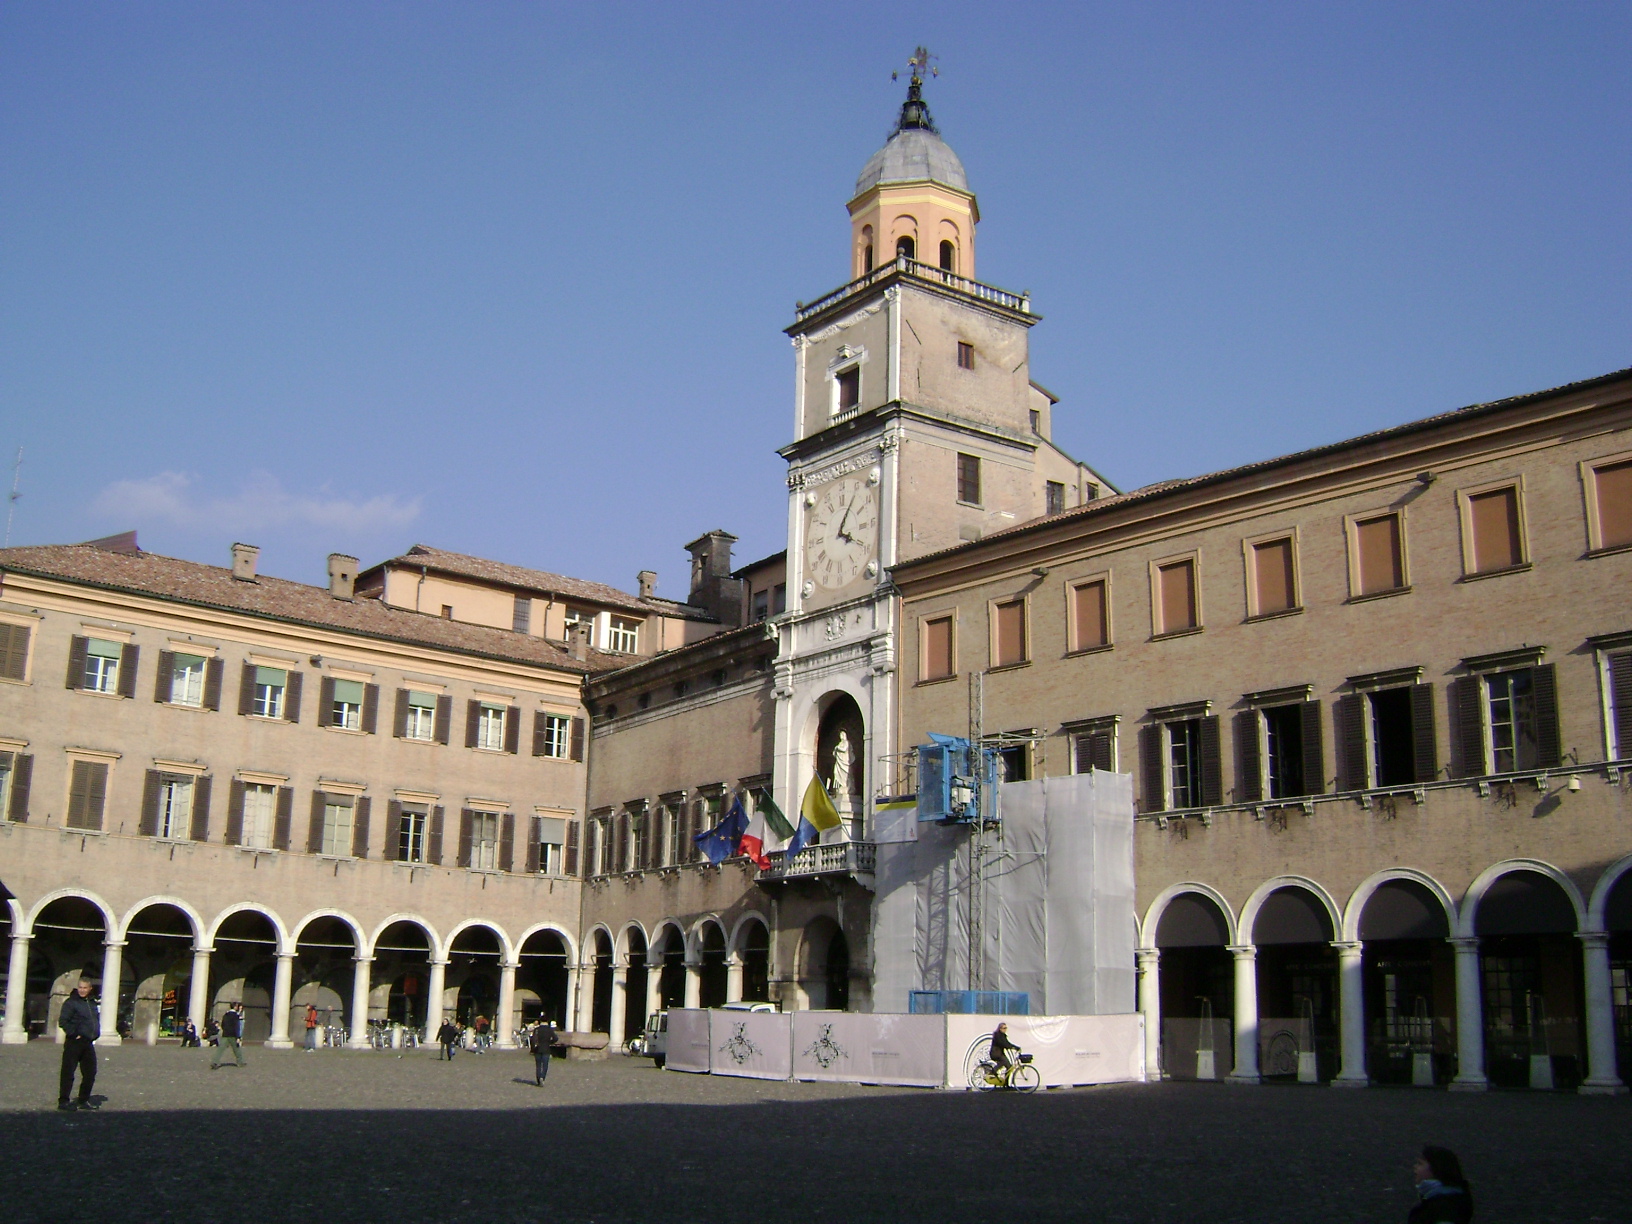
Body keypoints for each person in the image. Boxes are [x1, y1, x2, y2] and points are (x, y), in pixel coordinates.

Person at [57, 978, 100, 1111]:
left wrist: (96, 1033)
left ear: (90, 988)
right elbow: (63, 1021)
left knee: (90, 1072)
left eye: (85, 988)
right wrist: (74, 1034)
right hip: (74, 1042)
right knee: (68, 1072)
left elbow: (93, 1020)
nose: (82, 990)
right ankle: (63, 1101)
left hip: (88, 1042)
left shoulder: (92, 1003)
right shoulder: (71, 1002)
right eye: (80, 987)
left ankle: (83, 1100)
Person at [1410, 1146, 1473, 1222]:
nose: (1415, 1167)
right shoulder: (1448, 1201)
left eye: (1420, 1163)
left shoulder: (1444, 1206)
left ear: (1435, 1168)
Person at [210, 1003, 247, 1069]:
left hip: (225, 1034)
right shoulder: (235, 1016)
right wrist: (238, 1037)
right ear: (235, 1007)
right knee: (236, 1049)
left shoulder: (225, 1015)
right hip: (233, 1035)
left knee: (220, 1049)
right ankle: (240, 1062)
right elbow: (237, 1027)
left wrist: (225, 1030)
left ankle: (215, 1061)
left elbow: (223, 1025)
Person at [528, 1020, 557, 1086]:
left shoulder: (537, 1029)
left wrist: (532, 1049)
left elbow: (533, 1040)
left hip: (537, 1049)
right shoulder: (549, 1030)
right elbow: (555, 1038)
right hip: (546, 1049)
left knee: (538, 1065)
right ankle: (542, 1077)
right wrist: (550, 1042)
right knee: (545, 1065)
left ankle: (538, 1080)